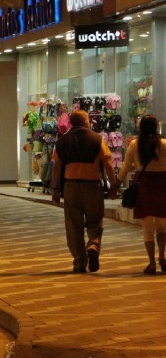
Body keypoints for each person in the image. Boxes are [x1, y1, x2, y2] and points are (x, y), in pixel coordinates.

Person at [50, 110, 118, 273]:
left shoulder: (62, 141)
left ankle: (79, 262)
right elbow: (108, 164)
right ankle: (93, 244)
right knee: (95, 221)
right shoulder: (97, 139)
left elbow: (55, 167)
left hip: (71, 187)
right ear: (86, 122)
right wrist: (113, 186)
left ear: (71, 123)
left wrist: (54, 189)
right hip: (93, 186)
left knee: (74, 226)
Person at [115, 115, 166, 274]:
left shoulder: (134, 145)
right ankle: (162, 257)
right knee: (162, 225)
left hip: (143, 185)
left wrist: (115, 185)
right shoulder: (164, 145)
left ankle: (151, 263)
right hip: (163, 185)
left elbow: (125, 168)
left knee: (147, 226)